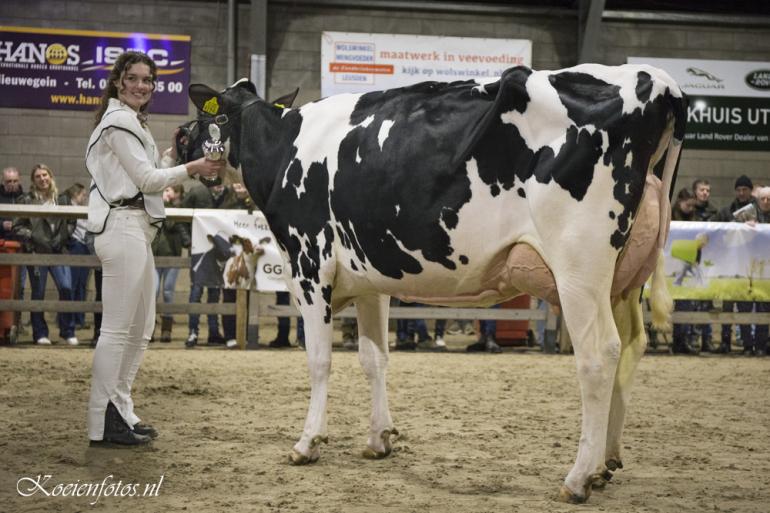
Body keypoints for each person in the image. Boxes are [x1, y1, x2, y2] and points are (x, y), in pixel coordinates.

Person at [85, 51, 224, 446]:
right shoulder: (118, 121)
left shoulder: (131, 123)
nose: (142, 86)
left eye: (148, 80)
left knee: (141, 328)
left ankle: (120, 411)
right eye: (134, 78)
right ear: (118, 81)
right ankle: (101, 421)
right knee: (116, 331)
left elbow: (147, 170)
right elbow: (146, 180)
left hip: (136, 229)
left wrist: (174, 154)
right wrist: (192, 167)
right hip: (123, 226)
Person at [13, 164, 78, 345]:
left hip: (59, 251)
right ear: (33, 180)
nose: (43, 179)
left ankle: (68, 331)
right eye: (38, 176)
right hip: (36, 252)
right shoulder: (26, 200)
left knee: (66, 288)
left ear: (51, 176)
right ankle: (40, 333)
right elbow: (17, 227)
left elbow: (72, 222)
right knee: (38, 293)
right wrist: (33, 237)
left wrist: (64, 236)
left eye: (45, 175)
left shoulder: (62, 199)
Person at [183, 180, 252, 348]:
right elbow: (182, 217)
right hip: (204, 249)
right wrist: (189, 240)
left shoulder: (225, 197)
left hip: (224, 253)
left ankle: (214, 333)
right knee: (197, 290)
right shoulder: (198, 192)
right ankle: (193, 332)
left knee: (216, 292)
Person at [715, 175, 757, 354]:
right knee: (726, 306)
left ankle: (748, 344)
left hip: (749, 266)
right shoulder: (726, 211)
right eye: (738, 189)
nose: (741, 193)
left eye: (745, 189)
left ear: (750, 190)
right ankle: (725, 343)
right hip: (729, 265)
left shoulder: (759, 211)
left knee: (745, 306)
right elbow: (712, 227)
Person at [152, 185, 189, 343]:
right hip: (155, 256)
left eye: (169, 190)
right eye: (164, 190)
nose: (166, 193)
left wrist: (165, 204)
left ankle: (166, 330)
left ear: (178, 193)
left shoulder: (179, 208)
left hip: (172, 256)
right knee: (152, 292)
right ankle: (150, 329)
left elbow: (170, 224)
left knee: (168, 291)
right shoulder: (154, 206)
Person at [690, 179, 718, 352]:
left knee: (707, 302)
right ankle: (692, 340)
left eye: (707, 190)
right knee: (691, 301)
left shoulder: (714, 212)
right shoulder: (687, 211)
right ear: (695, 192)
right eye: (702, 190)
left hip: (708, 263)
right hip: (689, 261)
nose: (705, 193)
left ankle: (707, 340)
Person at [63, 183, 90, 330]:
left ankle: (79, 318)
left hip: (84, 245)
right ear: (76, 194)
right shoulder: (70, 208)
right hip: (76, 245)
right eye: (83, 195)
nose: (84, 197)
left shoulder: (82, 209)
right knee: (74, 283)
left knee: (81, 284)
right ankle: (71, 318)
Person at [752, 186, 770, 357]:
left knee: (765, 307)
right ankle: (754, 344)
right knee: (756, 306)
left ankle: (764, 344)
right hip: (754, 267)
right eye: (763, 199)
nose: (765, 202)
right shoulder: (749, 214)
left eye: (769, 199)